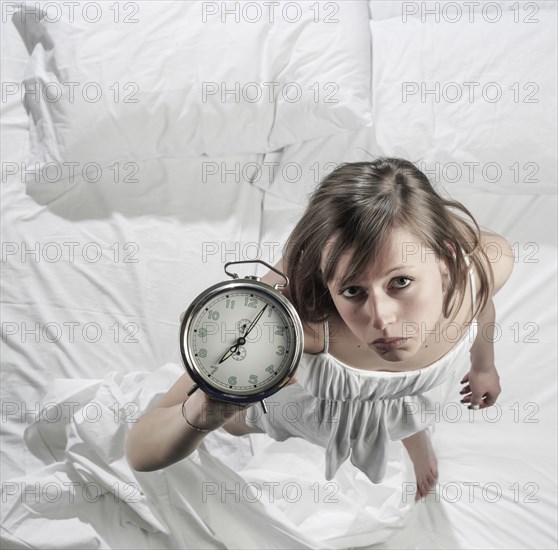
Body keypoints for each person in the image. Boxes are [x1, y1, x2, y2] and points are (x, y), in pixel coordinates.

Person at [126, 157, 514, 501]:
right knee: (239, 426)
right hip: (311, 406)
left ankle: (413, 435)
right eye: (352, 290)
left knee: (401, 410)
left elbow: (484, 306)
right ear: (327, 284)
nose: (381, 319)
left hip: (405, 397)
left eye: (400, 282)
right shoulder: (296, 328)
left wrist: (483, 366)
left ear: (447, 260)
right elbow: (139, 450)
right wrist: (206, 410)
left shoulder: (485, 268)